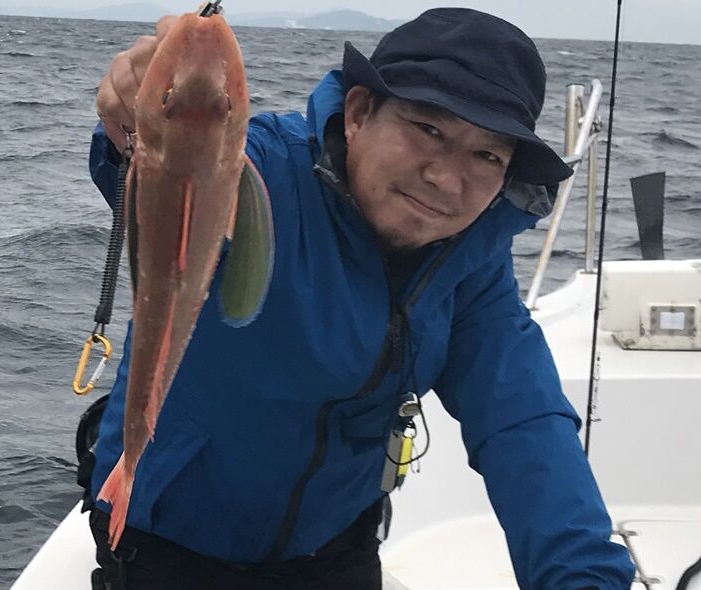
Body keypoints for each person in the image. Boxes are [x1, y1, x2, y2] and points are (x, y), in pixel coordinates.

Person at [85, 7, 635, 589]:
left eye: (487, 156)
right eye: (428, 129)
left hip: (336, 549)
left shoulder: (469, 263)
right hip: (165, 543)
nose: (446, 179)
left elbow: (523, 421)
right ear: (358, 113)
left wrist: (586, 575)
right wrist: (132, 126)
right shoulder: (263, 170)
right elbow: (169, 165)